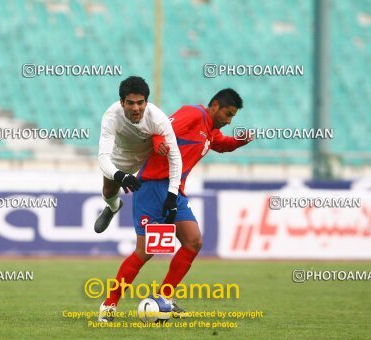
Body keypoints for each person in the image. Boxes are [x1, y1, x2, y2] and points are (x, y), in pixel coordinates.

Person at [98, 88, 254, 322]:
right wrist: (160, 142)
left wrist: (240, 141)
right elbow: (161, 130)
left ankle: (164, 298)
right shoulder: (193, 114)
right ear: (215, 106)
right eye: (228, 114)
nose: (229, 120)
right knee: (145, 252)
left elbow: (221, 145)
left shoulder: (210, 130)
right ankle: (109, 306)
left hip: (174, 190)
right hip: (151, 187)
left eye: (232, 117)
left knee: (193, 242)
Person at [94, 76, 182, 233]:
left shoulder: (158, 119)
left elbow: (175, 157)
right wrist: (120, 175)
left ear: (146, 102)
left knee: (155, 190)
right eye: (130, 103)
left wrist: (172, 194)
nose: (136, 108)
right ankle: (113, 206)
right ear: (122, 102)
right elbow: (103, 158)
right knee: (108, 192)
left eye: (140, 103)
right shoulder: (111, 116)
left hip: (149, 157)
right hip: (122, 155)